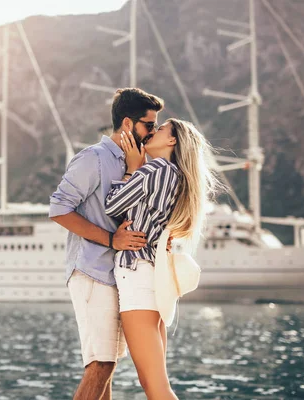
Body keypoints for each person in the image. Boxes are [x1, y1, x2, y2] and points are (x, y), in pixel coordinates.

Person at [49, 88, 165, 400]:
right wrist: (112, 239)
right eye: (149, 125)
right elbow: (59, 210)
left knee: (108, 366)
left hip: (118, 275)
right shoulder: (93, 159)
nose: (153, 131)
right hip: (90, 270)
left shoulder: (139, 161)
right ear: (128, 123)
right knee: (100, 363)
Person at [104, 118, 219, 399]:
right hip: (152, 279)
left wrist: (132, 168)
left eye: (162, 129)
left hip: (138, 277)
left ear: (172, 141)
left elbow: (111, 204)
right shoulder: (177, 175)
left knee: (156, 387)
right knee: (155, 384)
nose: (153, 132)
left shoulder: (156, 168)